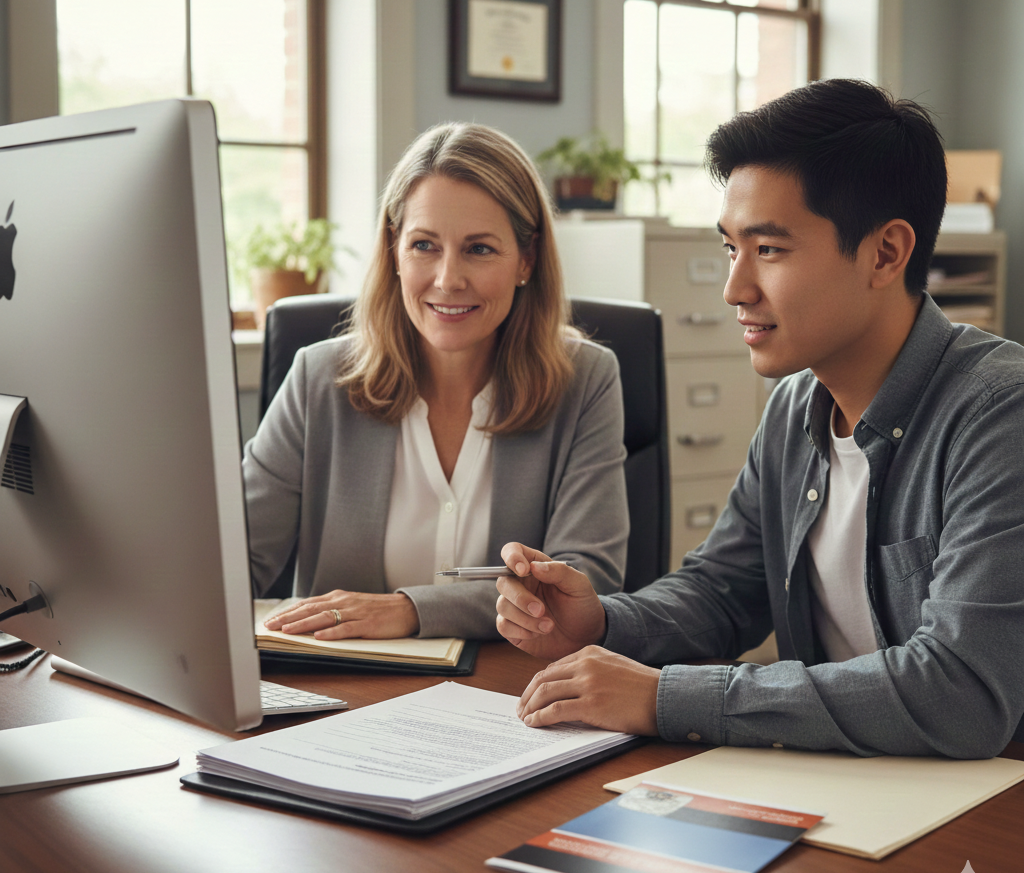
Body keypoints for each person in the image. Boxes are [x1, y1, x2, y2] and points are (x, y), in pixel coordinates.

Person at [495, 79, 1024, 759]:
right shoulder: (794, 409)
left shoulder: (999, 414)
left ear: (886, 253)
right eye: (730, 249)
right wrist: (598, 621)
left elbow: (961, 692)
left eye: (768, 250)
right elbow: (722, 593)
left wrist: (665, 697)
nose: (734, 289)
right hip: (839, 783)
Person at [246, 122, 629, 641]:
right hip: (341, 683)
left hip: (512, 684)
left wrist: (410, 610)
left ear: (527, 259)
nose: (448, 279)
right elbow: (230, 565)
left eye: (479, 249)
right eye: (424, 245)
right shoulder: (317, 379)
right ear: (394, 251)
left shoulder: (587, 381)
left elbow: (582, 585)